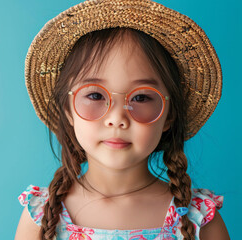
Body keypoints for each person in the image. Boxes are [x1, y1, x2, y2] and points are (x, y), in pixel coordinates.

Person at [15, 0, 230, 240]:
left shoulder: (199, 217)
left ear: (169, 115)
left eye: (141, 97)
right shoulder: (41, 215)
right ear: (68, 110)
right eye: (95, 95)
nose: (117, 119)